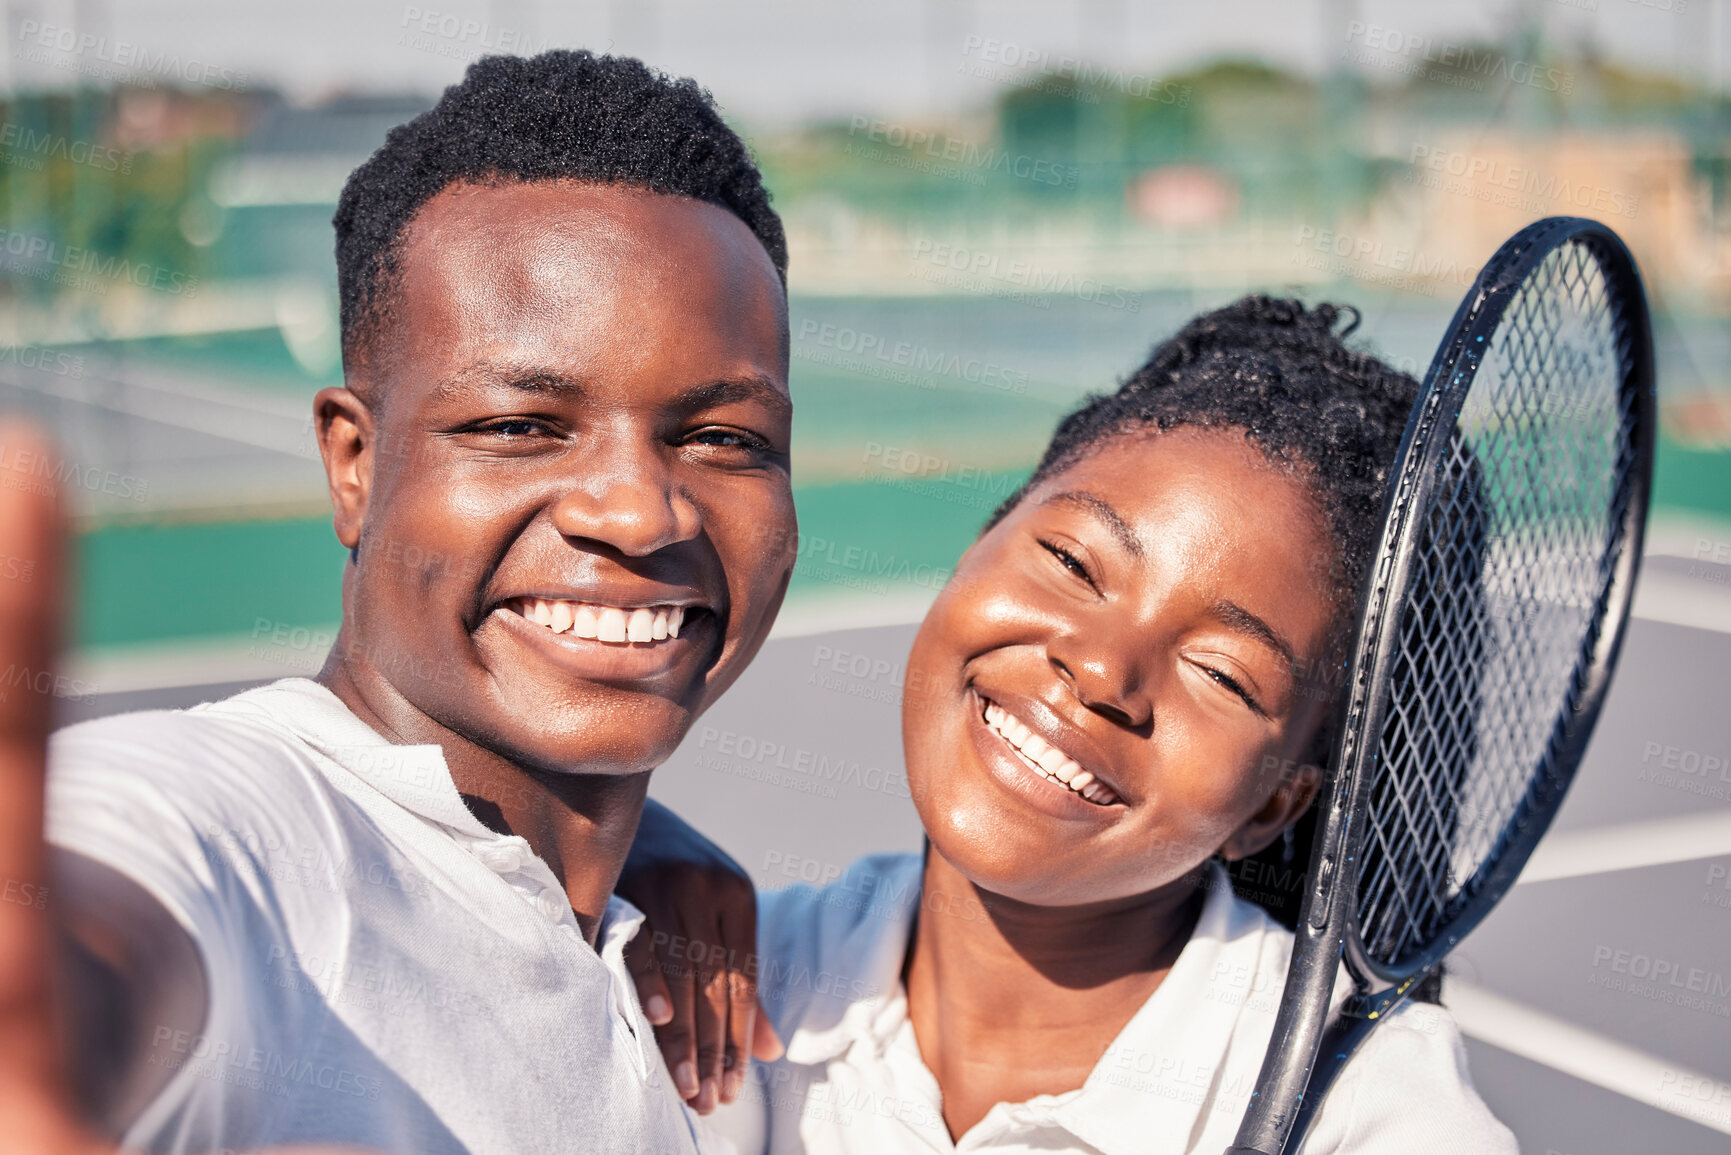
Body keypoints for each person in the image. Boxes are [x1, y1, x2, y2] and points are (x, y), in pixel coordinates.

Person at [0, 49, 792, 1155]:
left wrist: (626, 853)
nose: (641, 512)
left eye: (723, 438)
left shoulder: (722, 1019)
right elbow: (108, 917)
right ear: (354, 464)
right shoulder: (244, 842)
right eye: (520, 426)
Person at [642, 298, 1518, 1153]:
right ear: (979, 544)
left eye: (1220, 673)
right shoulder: (703, 982)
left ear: (1272, 805)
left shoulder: (1381, 1118)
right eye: (1070, 560)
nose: (1102, 671)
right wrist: (616, 851)